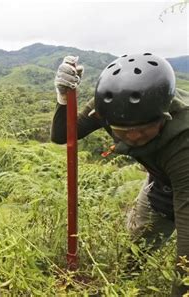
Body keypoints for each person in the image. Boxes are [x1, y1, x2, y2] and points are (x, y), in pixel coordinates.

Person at [51, 54, 189, 296]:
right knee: (134, 253)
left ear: (164, 116)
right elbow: (63, 134)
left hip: (183, 175)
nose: (134, 138)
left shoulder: (183, 139)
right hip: (161, 183)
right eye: (124, 133)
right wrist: (64, 98)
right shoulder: (109, 108)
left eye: (143, 131)